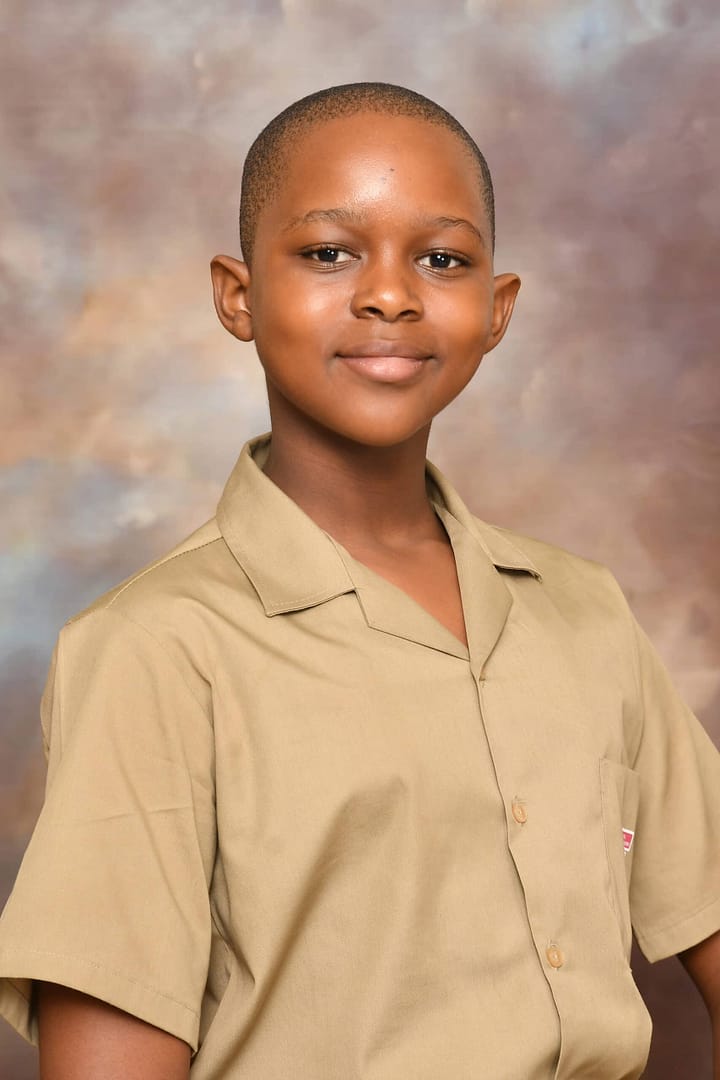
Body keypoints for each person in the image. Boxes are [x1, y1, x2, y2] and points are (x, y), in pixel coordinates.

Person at [0, 82, 718, 1080]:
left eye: (442, 259)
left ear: (498, 309)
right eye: (329, 252)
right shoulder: (155, 648)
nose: (390, 295)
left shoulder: (583, 610)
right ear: (237, 295)